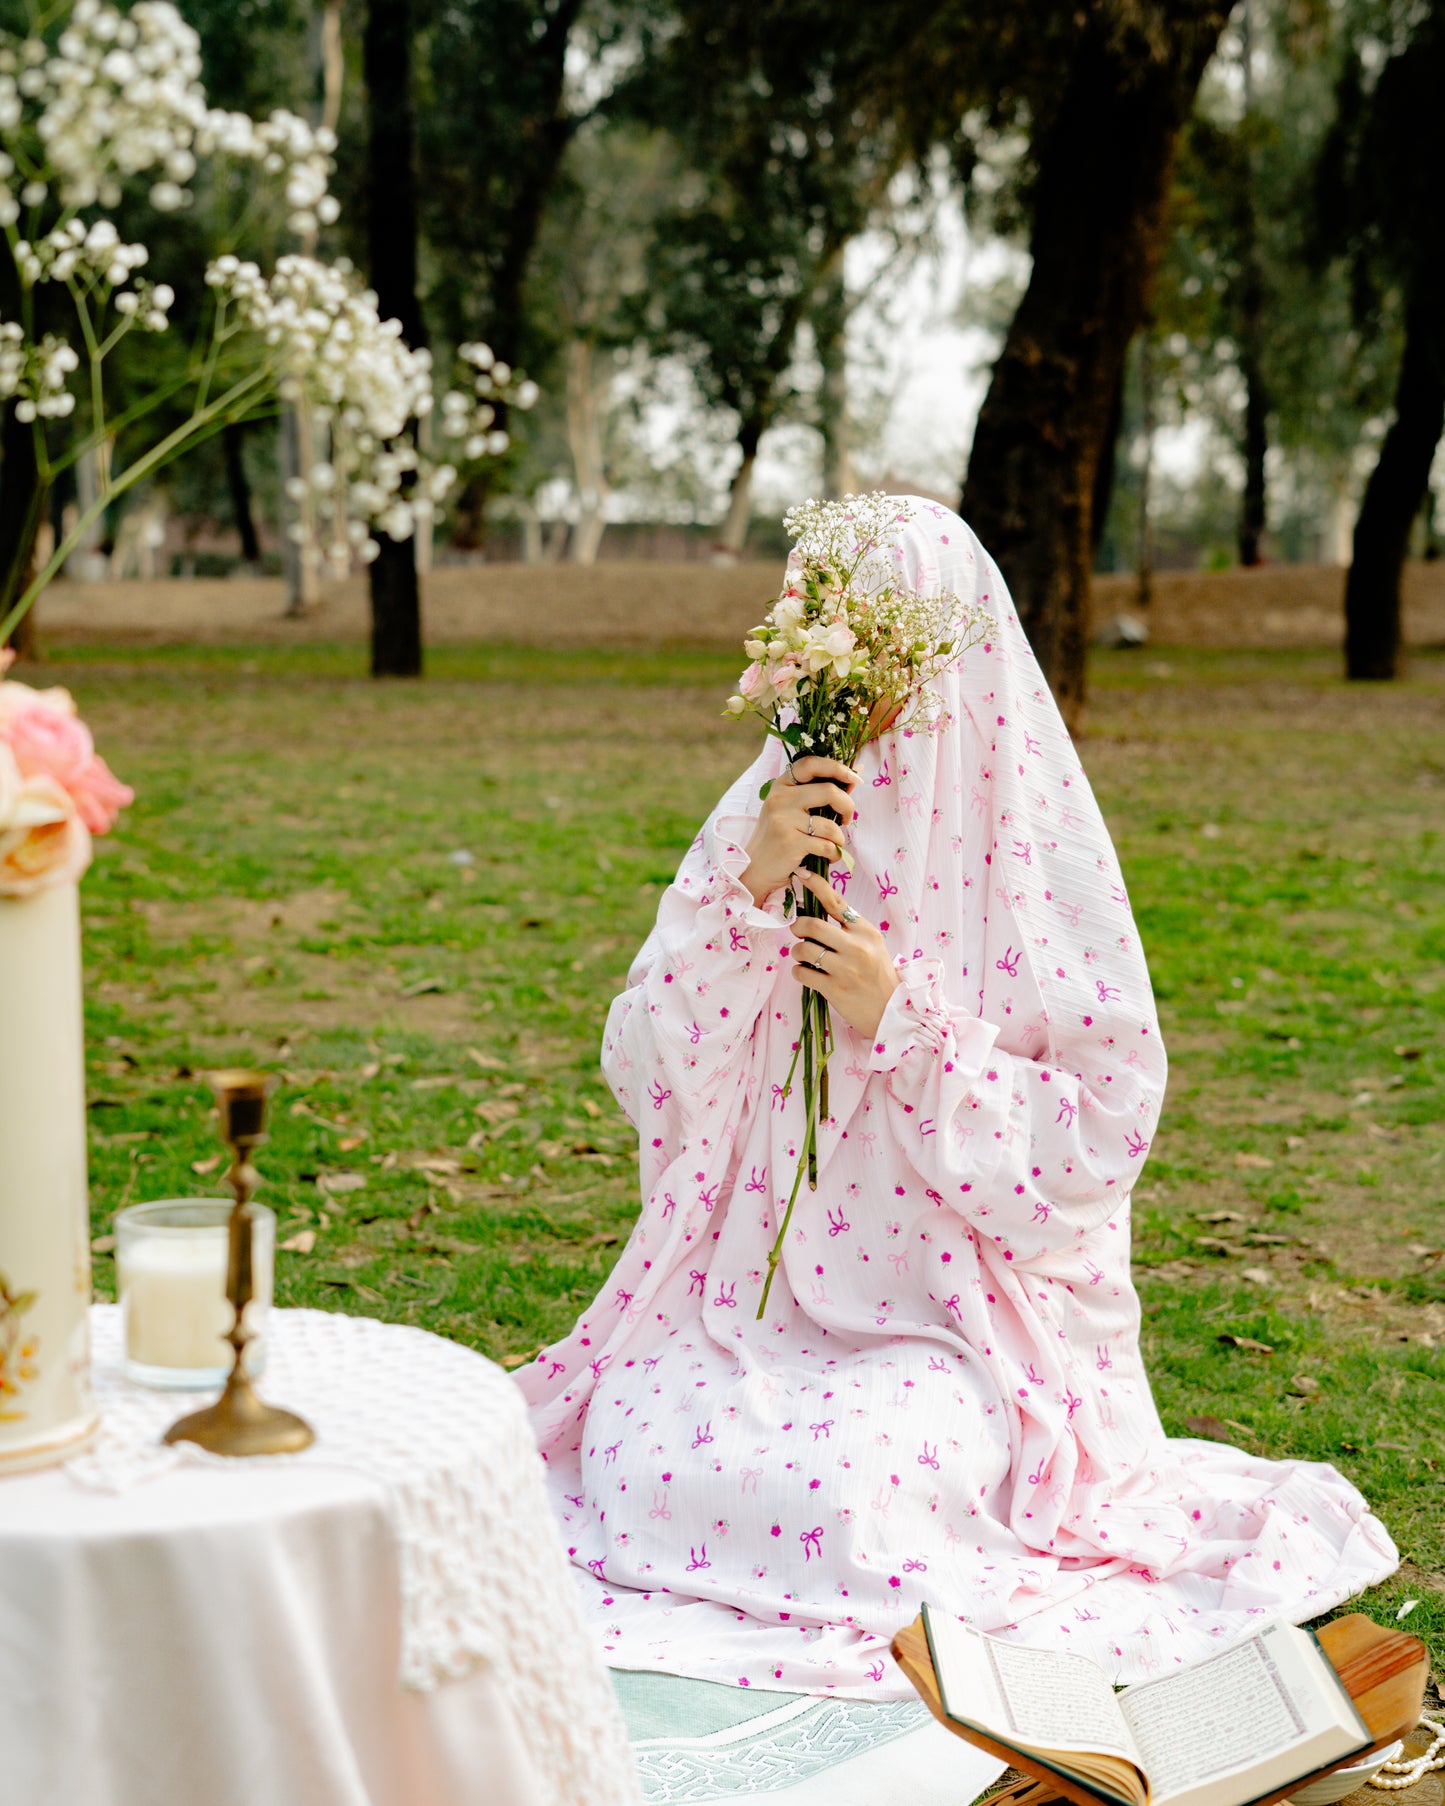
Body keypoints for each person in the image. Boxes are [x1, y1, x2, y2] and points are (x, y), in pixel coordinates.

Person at [516, 499, 1396, 1697]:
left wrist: (904, 1024)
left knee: (852, 1495)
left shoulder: (1026, 848)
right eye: (822, 629)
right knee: (628, 1441)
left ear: (941, 648)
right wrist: (745, 890)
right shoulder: (770, 809)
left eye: (874, 637)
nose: (851, 669)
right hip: (748, 1301)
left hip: (948, 1324)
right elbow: (642, 1062)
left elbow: (1095, 1133)